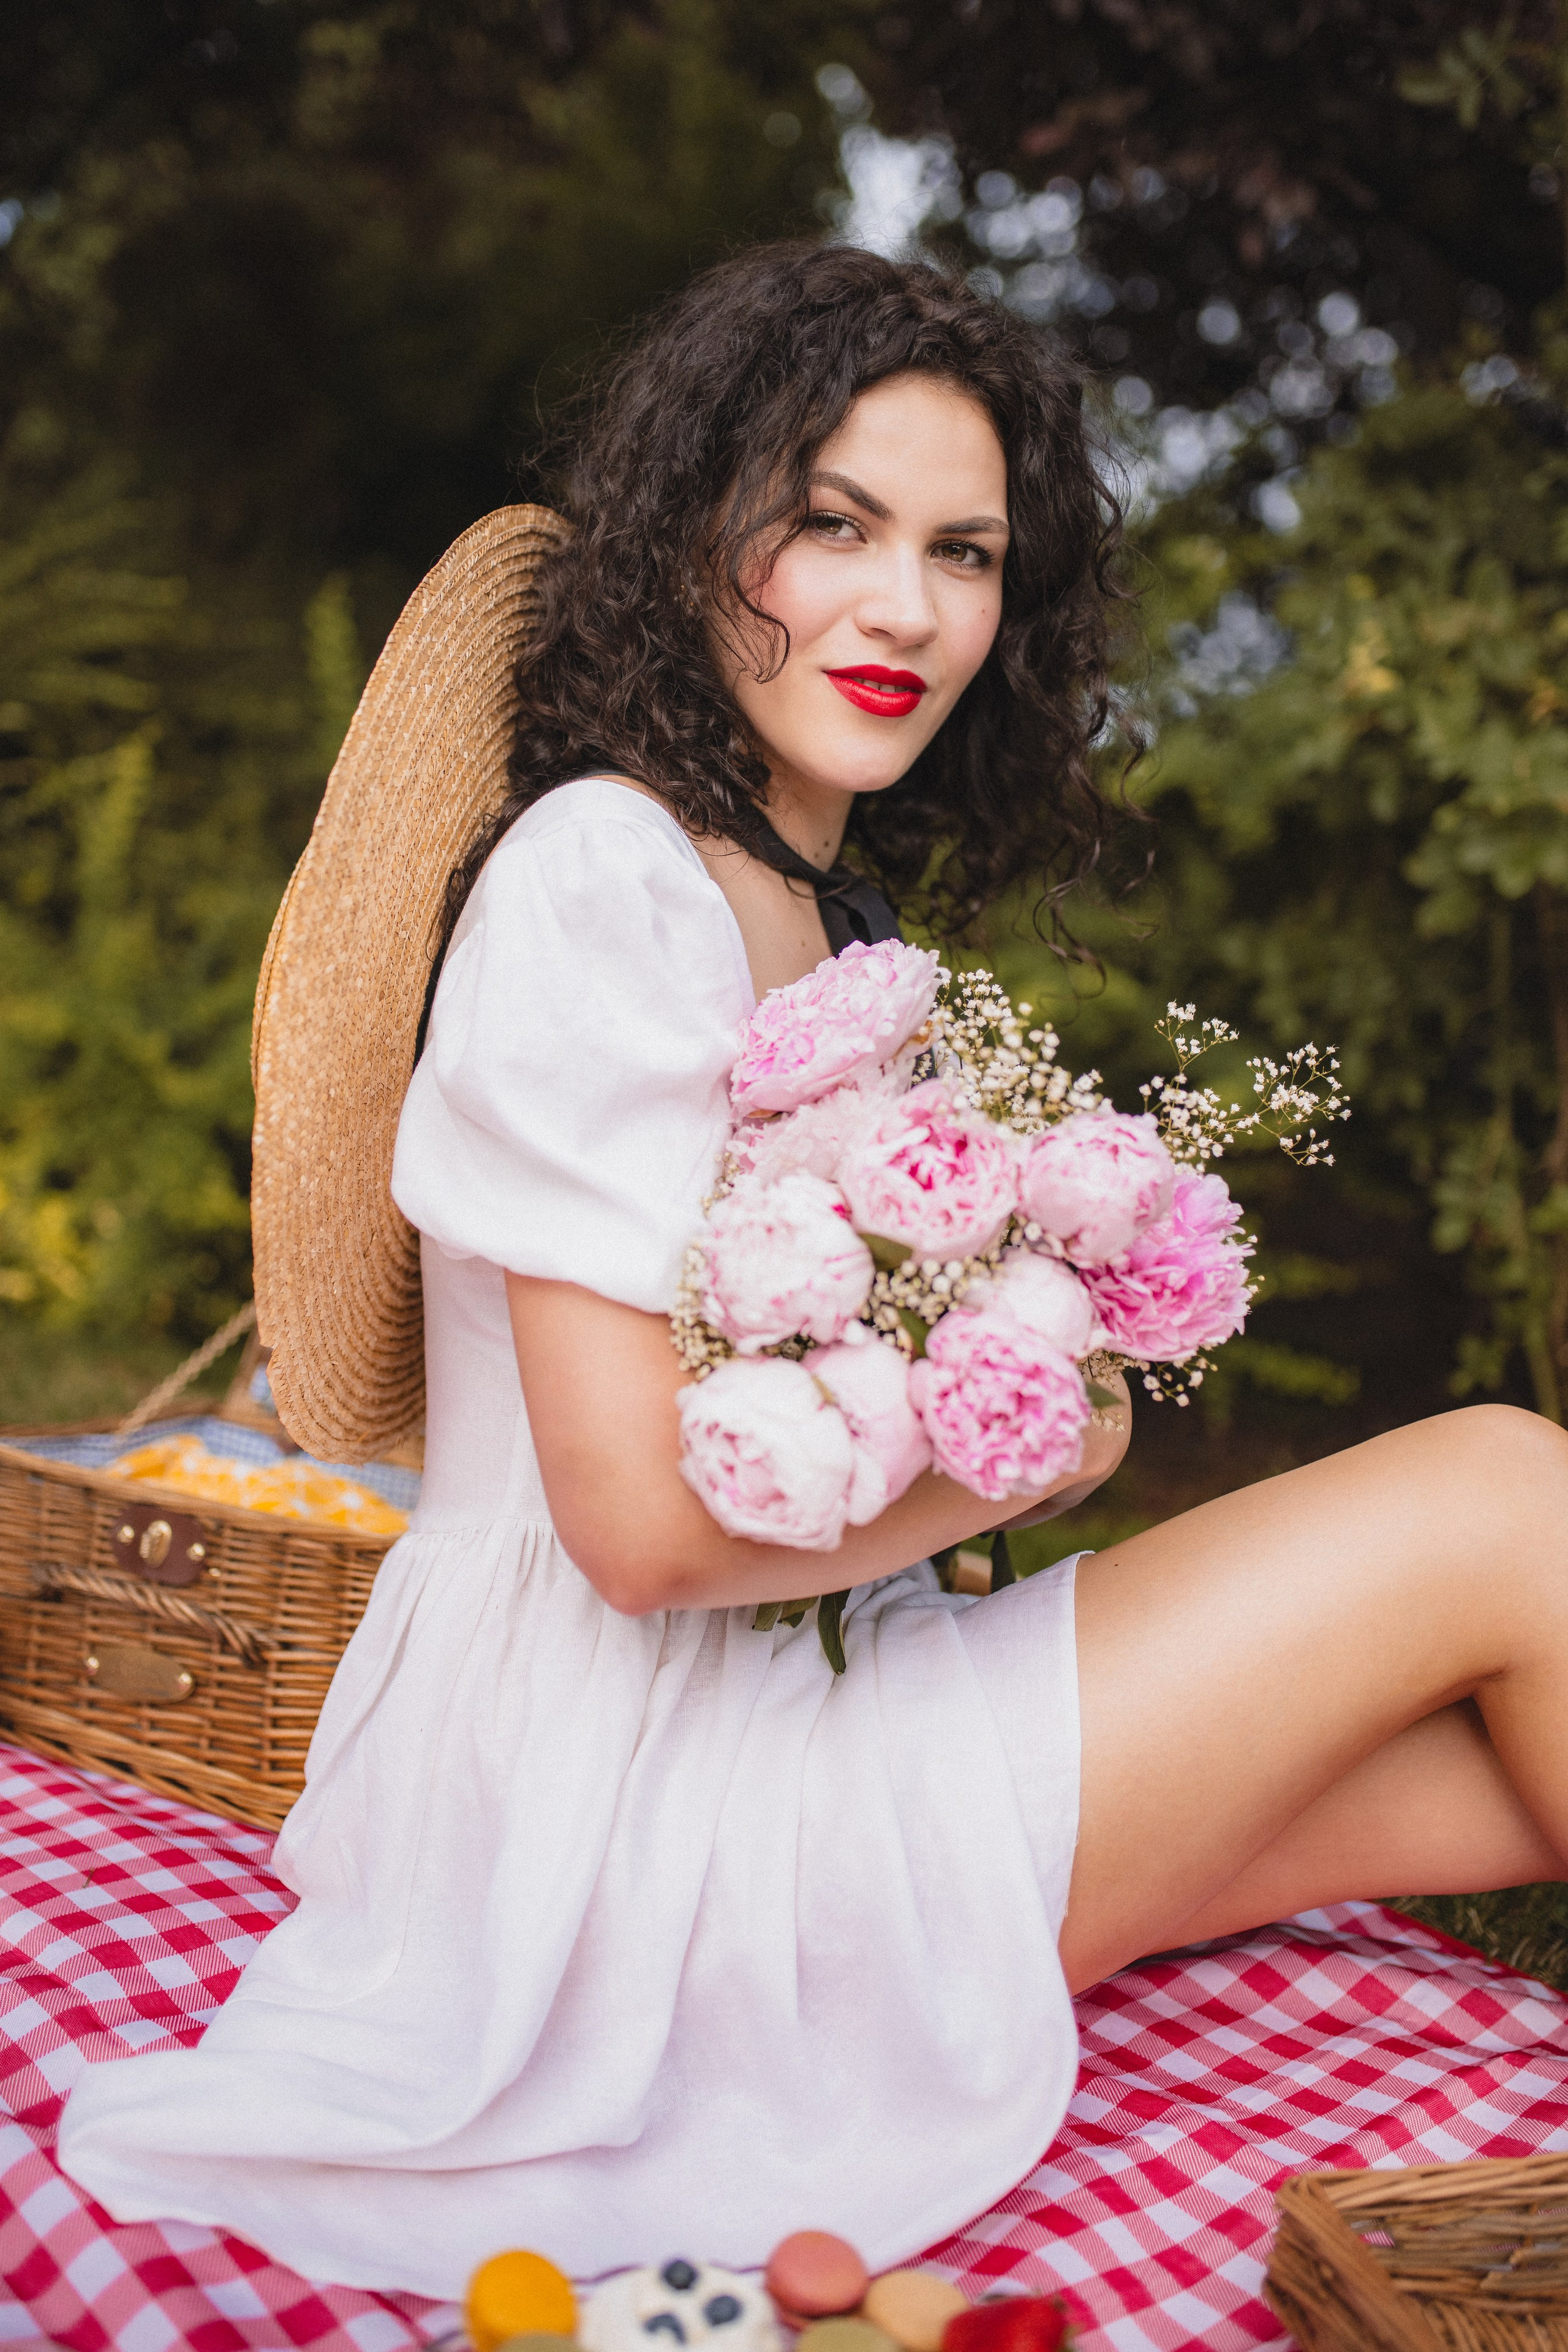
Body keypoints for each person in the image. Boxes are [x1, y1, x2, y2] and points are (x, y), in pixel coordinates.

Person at [57, 241, 1568, 2300]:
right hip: (635, 1823)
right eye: (834, 524)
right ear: (699, 536)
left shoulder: (813, 912)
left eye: (964, 551)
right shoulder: (604, 876)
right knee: (1507, 1492)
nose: (907, 609)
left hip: (783, 1714)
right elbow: (643, 1534)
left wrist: (1006, 1347)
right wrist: (1041, 1451)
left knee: (1495, 1778)